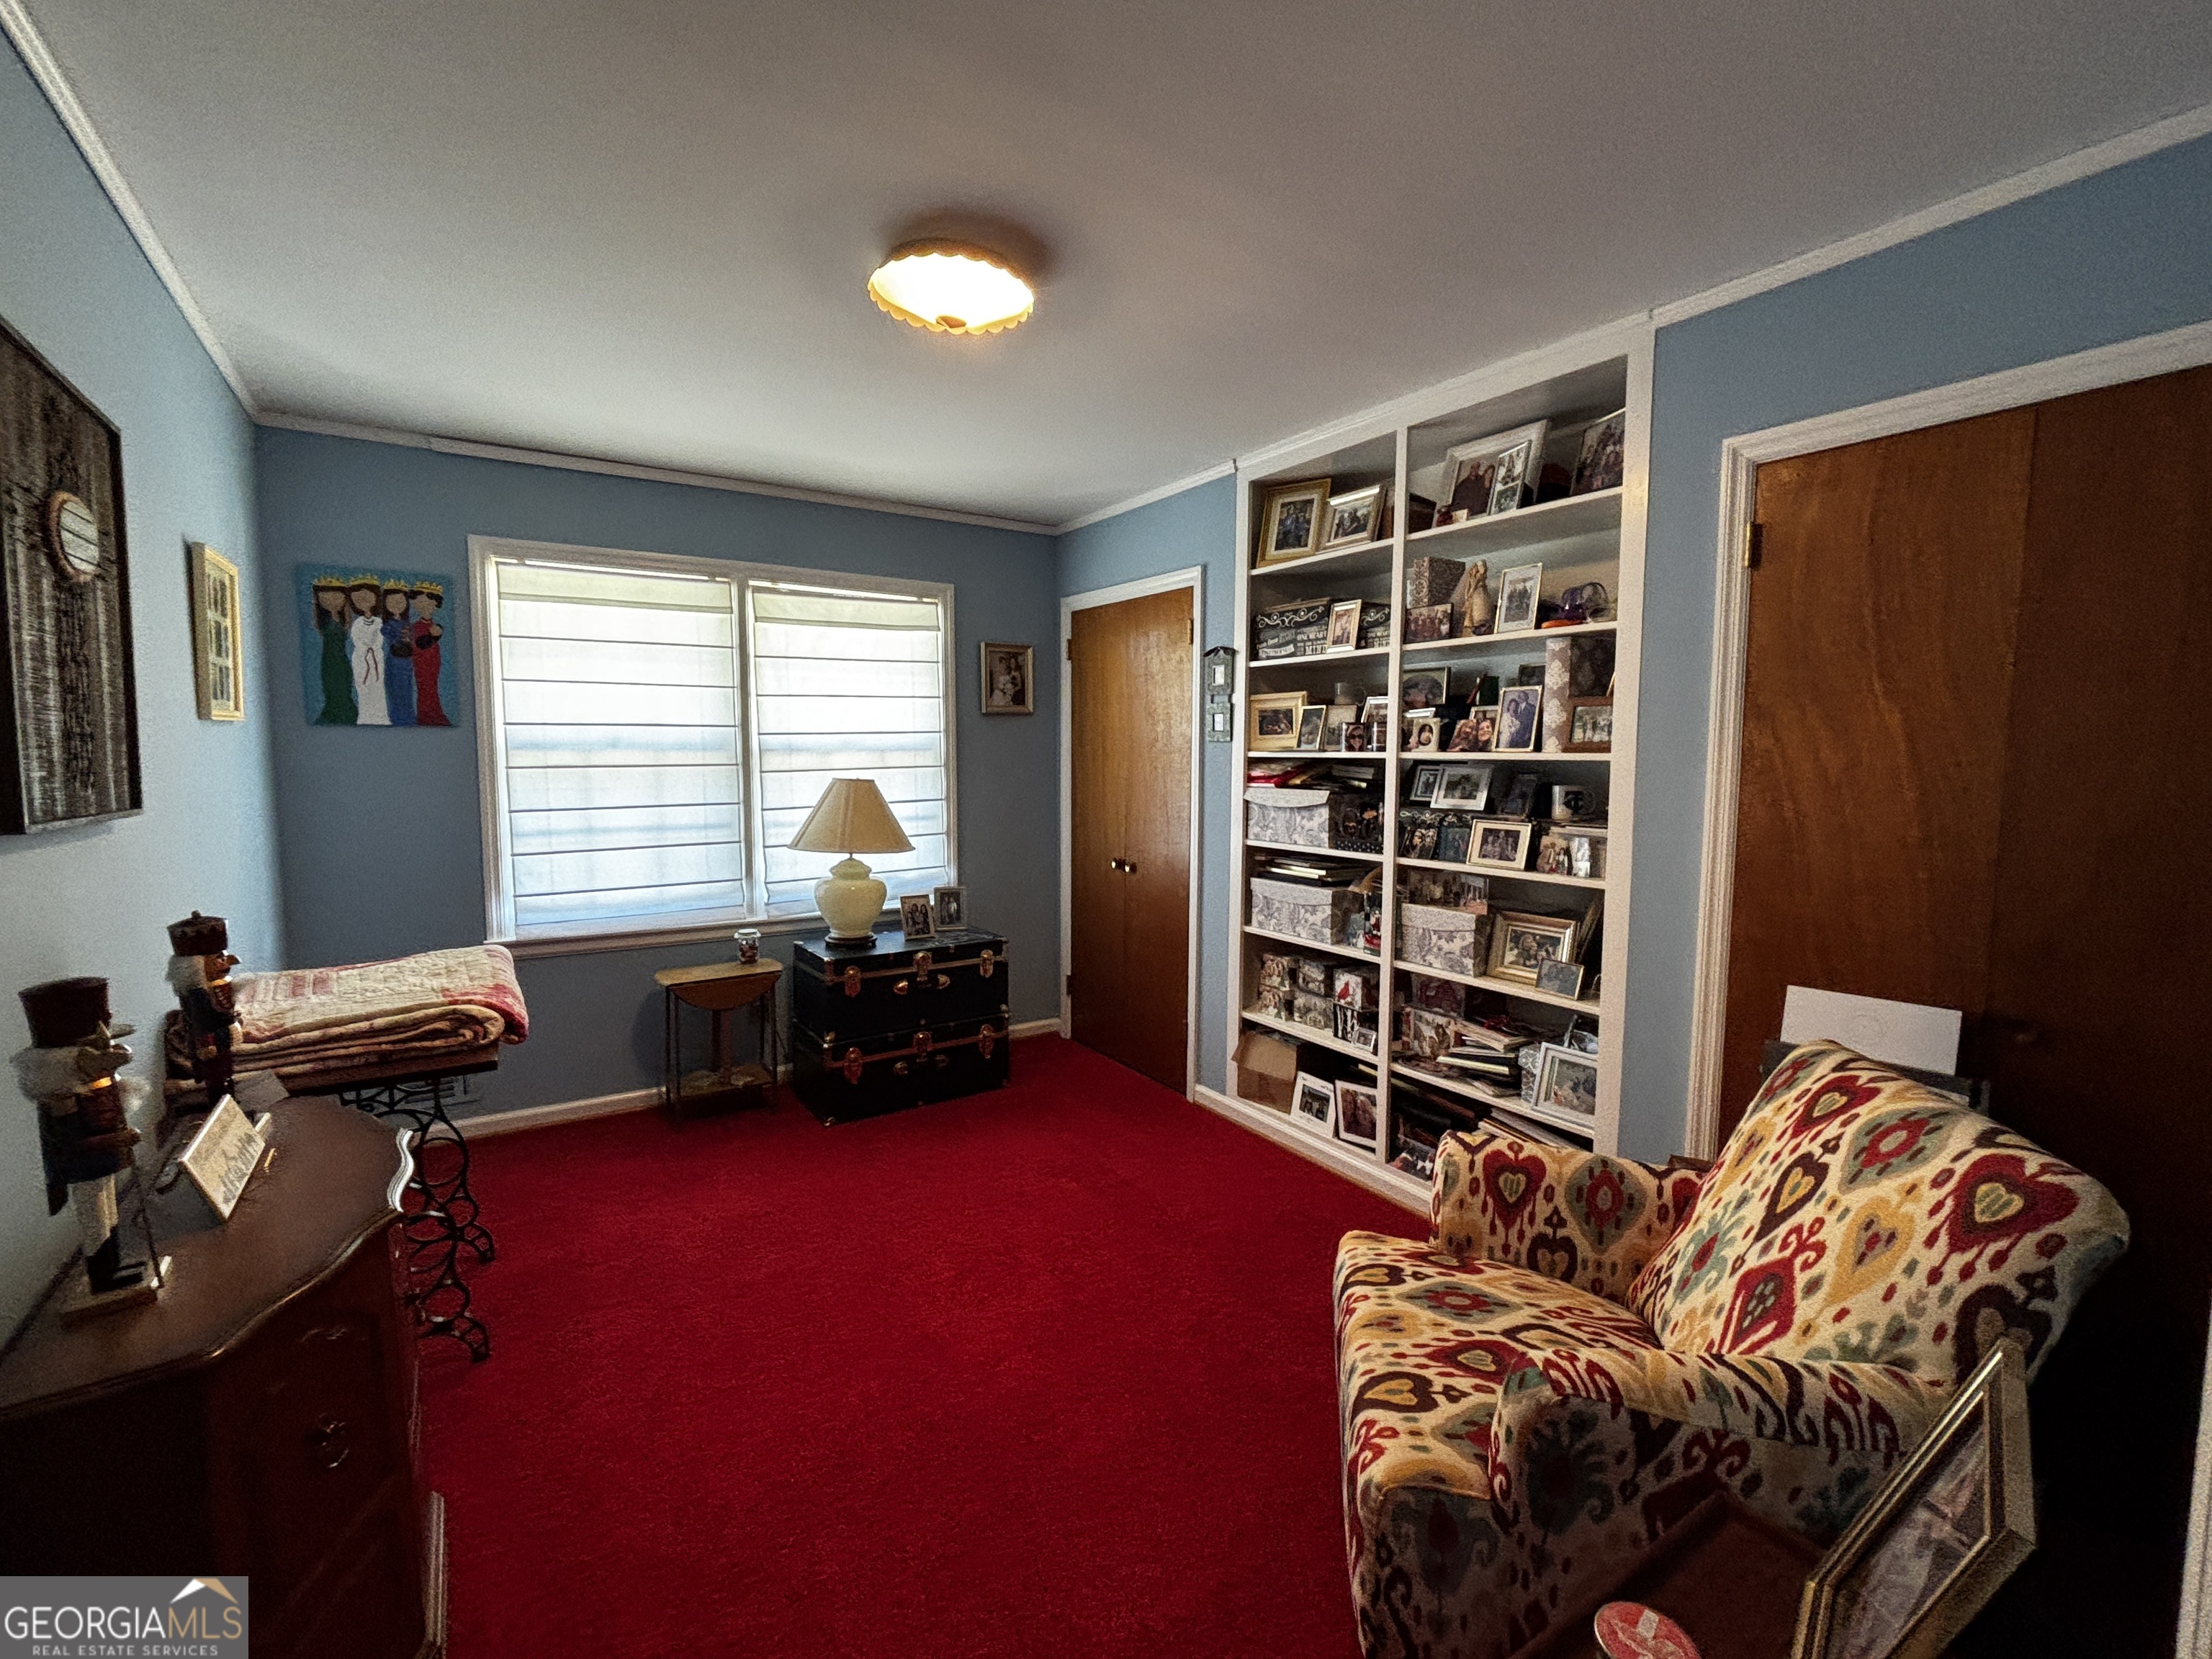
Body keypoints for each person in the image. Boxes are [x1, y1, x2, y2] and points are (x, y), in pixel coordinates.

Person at [310, 581, 356, 724]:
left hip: (341, 657)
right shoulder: (324, 622)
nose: (332, 601)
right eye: (326, 598)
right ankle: (335, 708)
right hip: (330, 657)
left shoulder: (344, 620)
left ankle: (345, 707)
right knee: (332, 681)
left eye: (337, 597)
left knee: (344, 680)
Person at [347, 580, 390, 725]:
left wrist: (373, 647)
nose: (363, 601)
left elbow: (380, 637)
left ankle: (380, 716)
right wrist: (365, 648)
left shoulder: (379, 622)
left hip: (376, 657)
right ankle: (365, 715)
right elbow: (356, 638)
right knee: (363, 686)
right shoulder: (358, 623)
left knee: (377, 686)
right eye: (358, 599)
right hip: (361, 658)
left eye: (367, 597)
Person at [410, 583, 449, 725]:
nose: (425, 605)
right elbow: (421, 644)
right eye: (420, 602)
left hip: (433, 662)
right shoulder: (417, 627)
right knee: (426, 690)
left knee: (433, 689)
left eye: (429, 602)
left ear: (435, 604)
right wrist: (434, 637)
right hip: (422, 664)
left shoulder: (434, 625)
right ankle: (427, 716)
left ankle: (434, 714)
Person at [380, 586, 417, 726]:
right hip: (395, 659)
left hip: (406, 661)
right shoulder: (389, 624)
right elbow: (386, 633)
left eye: (400, 601)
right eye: (391, 602)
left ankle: (408, 715)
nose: (396, 605)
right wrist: (398, 640)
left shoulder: (406, 624)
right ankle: (397, 716)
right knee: (396, 689)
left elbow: (411, 639)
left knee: (407, 688)